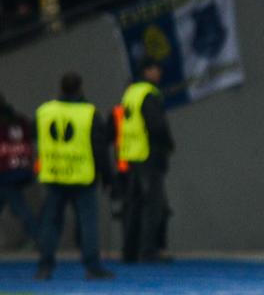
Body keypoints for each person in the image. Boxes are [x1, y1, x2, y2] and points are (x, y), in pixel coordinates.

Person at [34, 72, 114, 281]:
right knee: (87, 223)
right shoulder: (89, 113)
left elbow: (37, 140)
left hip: (54, 175)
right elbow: (100, 148)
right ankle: (93, 267)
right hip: (82, 176)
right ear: (80, 88)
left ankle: (44, 266)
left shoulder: (45, 112)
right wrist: (108, 177)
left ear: (60, 88)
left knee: (51, 224)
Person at [118, 59, 173, 264]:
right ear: (147, 71)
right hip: (149, 154)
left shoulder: (130, 93)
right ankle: (148, 250)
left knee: (134, 205)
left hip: (132, 154)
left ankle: (129, 251)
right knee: (153, 205)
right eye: (156, 69)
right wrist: (168, 144)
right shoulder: (148, 94)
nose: (159, 73)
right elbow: (156, 125)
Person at [0, 94, 38, 247]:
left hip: (5, 172)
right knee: (18, 206)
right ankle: (37, 237)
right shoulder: (20, 120)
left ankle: (38, 238)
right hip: (20, 169)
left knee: (20, 208)